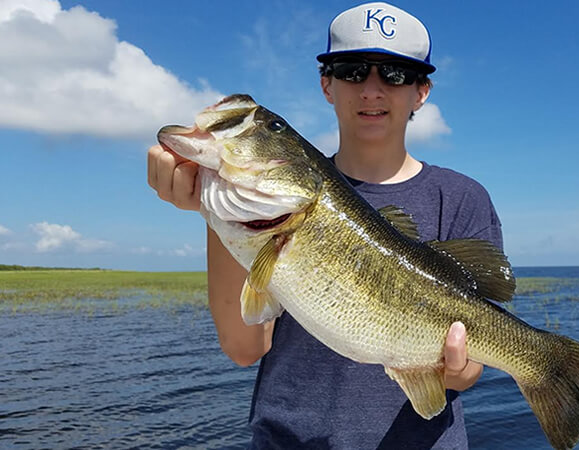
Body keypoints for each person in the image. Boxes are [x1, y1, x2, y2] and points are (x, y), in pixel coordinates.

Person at [147, 2, 503, 448]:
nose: (371, 89)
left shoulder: (462, 198)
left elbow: (468, 373)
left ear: (421, 91)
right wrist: (212, 208)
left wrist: (457, 369)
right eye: (352, 70)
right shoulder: (266, 207)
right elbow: (244, 347)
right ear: (326, 85)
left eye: (394, 74)